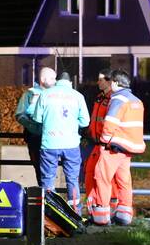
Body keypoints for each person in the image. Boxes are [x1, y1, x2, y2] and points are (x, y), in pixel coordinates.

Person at [86, 70, 145, 226]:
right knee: (123, 180)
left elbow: (110, 123)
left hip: (114, 147)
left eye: (111, 81)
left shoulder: (118, 98)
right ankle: (124, 214)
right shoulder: (136, 100)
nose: (110, 84)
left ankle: (101, 216)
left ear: (117, 83)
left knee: (102, 177)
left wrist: (104, 142)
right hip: (128, 148)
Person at [28, 68, 90, 211]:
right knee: (72, 179)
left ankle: (51, 212)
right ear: (69, 82)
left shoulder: (45, 95)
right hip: (71, 144)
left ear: (57, 82)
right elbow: (85, 121)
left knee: (48, 179)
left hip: (50, 143)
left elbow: (37, 118)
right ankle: (75, 212)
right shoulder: (77, 96)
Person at [84, 71, 117, 222]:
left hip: (107, 146)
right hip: (96, 143)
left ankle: (110, 210)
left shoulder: (113, 99)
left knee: (107, 178)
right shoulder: (100, 98)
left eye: (100, 80)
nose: (98, 83)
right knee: (90, 173)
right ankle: (94, 210)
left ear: (109, 81)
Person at [14, 70, 50, 186]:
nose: (55, 82)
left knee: (46, 171)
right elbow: (20, 114)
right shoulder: (30, 94)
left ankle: (46, 197)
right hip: (36, 138)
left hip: (49, 138)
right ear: (43, 79)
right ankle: (45, 197)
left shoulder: (54, 93)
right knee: (40, 170)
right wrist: (34, 128)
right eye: (52, 79)